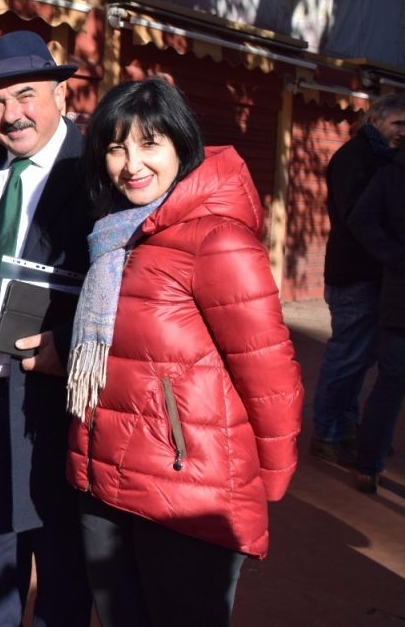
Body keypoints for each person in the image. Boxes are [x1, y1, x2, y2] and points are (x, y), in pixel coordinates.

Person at [64, 77, 303, 626]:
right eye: (116, 146)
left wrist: (265, 482)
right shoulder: (115, 237)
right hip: (106, 478)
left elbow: (271, 375)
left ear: (182, 146)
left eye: (150, 144)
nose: (131, 163)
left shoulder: (216, 239)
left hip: (188, 491)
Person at [0, 30, 93, 626]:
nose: (12, 115)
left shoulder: (95, 175)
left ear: (59, 90)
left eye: (26, 95)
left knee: (61, 560)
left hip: (55, 402)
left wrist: (67, 346)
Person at [311, 93, 405, 464]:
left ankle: (345, 426)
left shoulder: (381, 157)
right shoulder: (355, 157)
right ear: (376, 120)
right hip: (354, 275)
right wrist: (394, 255)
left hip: (371, 274)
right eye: (399, 123)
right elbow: (358, 220)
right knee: (347, 356)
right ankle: (327, 433)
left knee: (362, 358)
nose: (404, 132)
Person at [347, 142, 405, 494]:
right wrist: (395, 257)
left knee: (391, 382)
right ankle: (368, 464)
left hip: (398, 292)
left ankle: (368, 465)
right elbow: (360, 220)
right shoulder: (391, 174)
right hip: (400, 296)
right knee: (391, 381)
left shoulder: (390, 172)